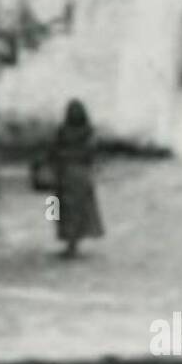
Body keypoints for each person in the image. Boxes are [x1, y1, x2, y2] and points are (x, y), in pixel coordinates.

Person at [51, 99, 104, 258]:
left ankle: (69, 243)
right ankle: (74, 243)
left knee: (61, 209)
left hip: (64, 173)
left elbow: (54, 151)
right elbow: (91, 154)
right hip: (81, 174)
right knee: (79, 209)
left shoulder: (62, 131)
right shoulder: (88, 132)